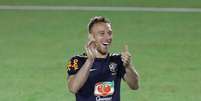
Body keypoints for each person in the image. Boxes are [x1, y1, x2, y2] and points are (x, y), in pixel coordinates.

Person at [66, 16, 139, 101]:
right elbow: (73, 88)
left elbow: (135, 85)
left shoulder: (117, 60)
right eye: (102, 33)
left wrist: (128, 66)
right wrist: (90, 61)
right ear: (91, 37)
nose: (107, 38)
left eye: (109, 33)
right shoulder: (77, 61)